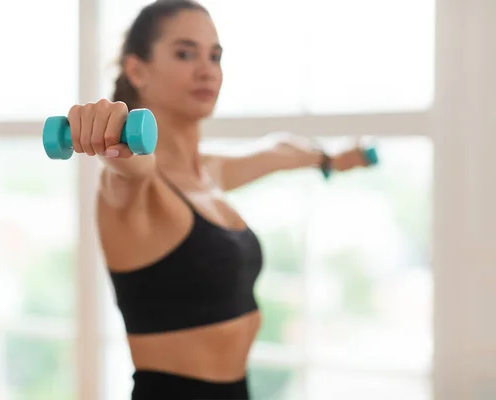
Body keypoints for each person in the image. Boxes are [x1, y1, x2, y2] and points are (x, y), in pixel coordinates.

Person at [66, 1, 370, 398]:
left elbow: (276, 151)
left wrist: (330, 159)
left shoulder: (208, 173)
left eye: (215, 55)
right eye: (184, 53)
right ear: (137, 68)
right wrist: (112, 137)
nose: (206, 69)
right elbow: (130, 171)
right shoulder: (132, 190)